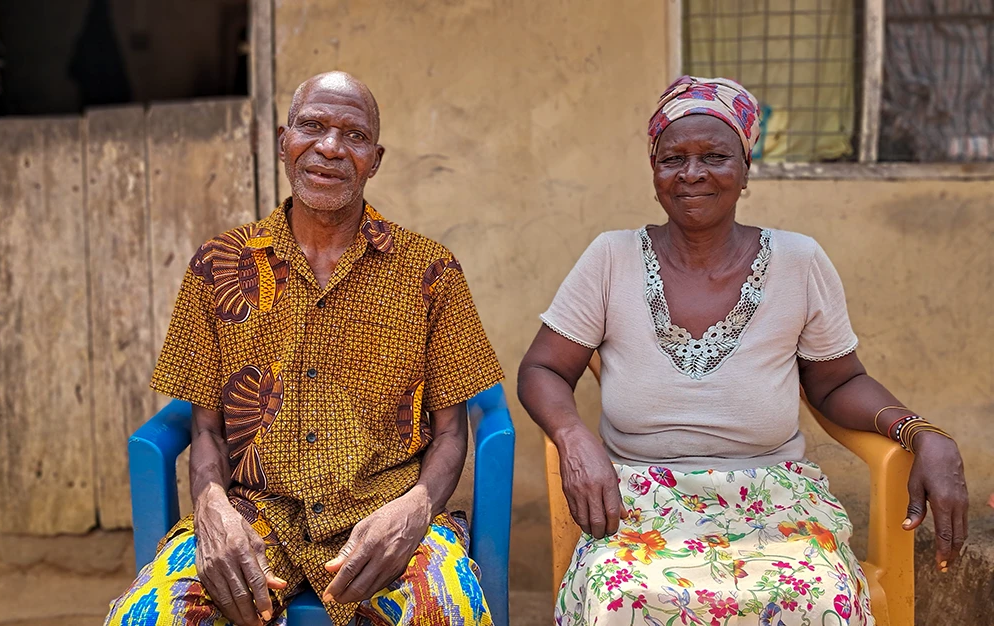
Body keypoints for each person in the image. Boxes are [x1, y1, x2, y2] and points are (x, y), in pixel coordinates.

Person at [517, 75, 969, 626]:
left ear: (746, 169)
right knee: (621, 599)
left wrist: (920, 432)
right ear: (653, 170)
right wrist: (573, 436)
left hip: (775, 500)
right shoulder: (611, 258)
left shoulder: (799, 262)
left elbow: (837, 382)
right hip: (635, 501)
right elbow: (543, 366)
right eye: (672, 158)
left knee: (823, 596)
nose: (692, 174)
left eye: (715, 155)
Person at [105, 72, 503, 626]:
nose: (330, 148)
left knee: (447, 609)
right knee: (149, 617)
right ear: (282, 140)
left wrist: (414, 510)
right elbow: (205, 431)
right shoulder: (218, 265)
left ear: (376, 158)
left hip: (384, 511)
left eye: (353, 135)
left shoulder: (430, 271)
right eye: (311, 126)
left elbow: (453, 432)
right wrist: (212, 509)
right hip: (253, 512)